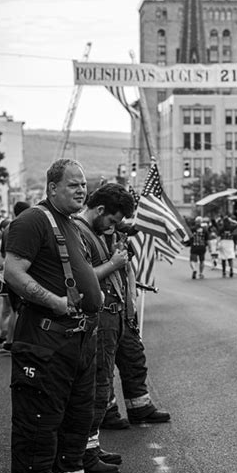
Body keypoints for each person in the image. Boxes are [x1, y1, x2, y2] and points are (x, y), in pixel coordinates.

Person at [4, 159, 108, 473]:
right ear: (52, 188)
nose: (82, 190)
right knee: (39, 418)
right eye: (73, 185)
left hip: (76, 343)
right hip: (45, 342)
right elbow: (13, 274)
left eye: (83, 185)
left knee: (77, 416)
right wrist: (57, 303)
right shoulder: (33, 220)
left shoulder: (72, 225)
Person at [75, 184, 170, 434]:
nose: (113, 226)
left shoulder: (108, 230)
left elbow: (128, 242)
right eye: (112, 220)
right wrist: (114, 262)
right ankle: (103, 417)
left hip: (120, 309)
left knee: (133, 358)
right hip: (101, 311)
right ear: (100, 210)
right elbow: (82, 277)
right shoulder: (80, 232)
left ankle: (139, 406)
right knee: (101, 370)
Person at [0, 201, 31, 353]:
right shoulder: (22, 227)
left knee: (12, 310)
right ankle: (13, 342)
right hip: (20, 274)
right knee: (19, 310)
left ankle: (8, 340)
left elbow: (3, 254)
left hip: (8, 275)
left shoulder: (7, 229)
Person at [0, 218, 13, 353]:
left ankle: (3, 340)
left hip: (1, 279)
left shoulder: (0, 243)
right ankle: (4, 339)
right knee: (12, 311)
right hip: (6, 280)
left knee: (6, 311)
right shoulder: (3, 243)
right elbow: (1, 264)